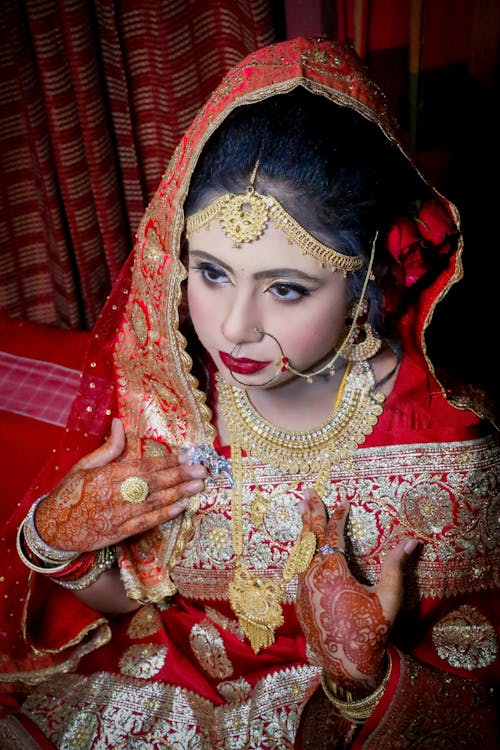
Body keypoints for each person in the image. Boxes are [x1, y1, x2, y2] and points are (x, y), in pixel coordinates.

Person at [0, 36, 498, 749]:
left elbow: (474, 680)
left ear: (367, 275)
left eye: (286, 288)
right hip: (167, 694)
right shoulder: (173, 393)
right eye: (210, 273)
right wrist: (60, 543)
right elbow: (132, 602)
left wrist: (364, 683)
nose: (233, 328)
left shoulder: (445, 439)